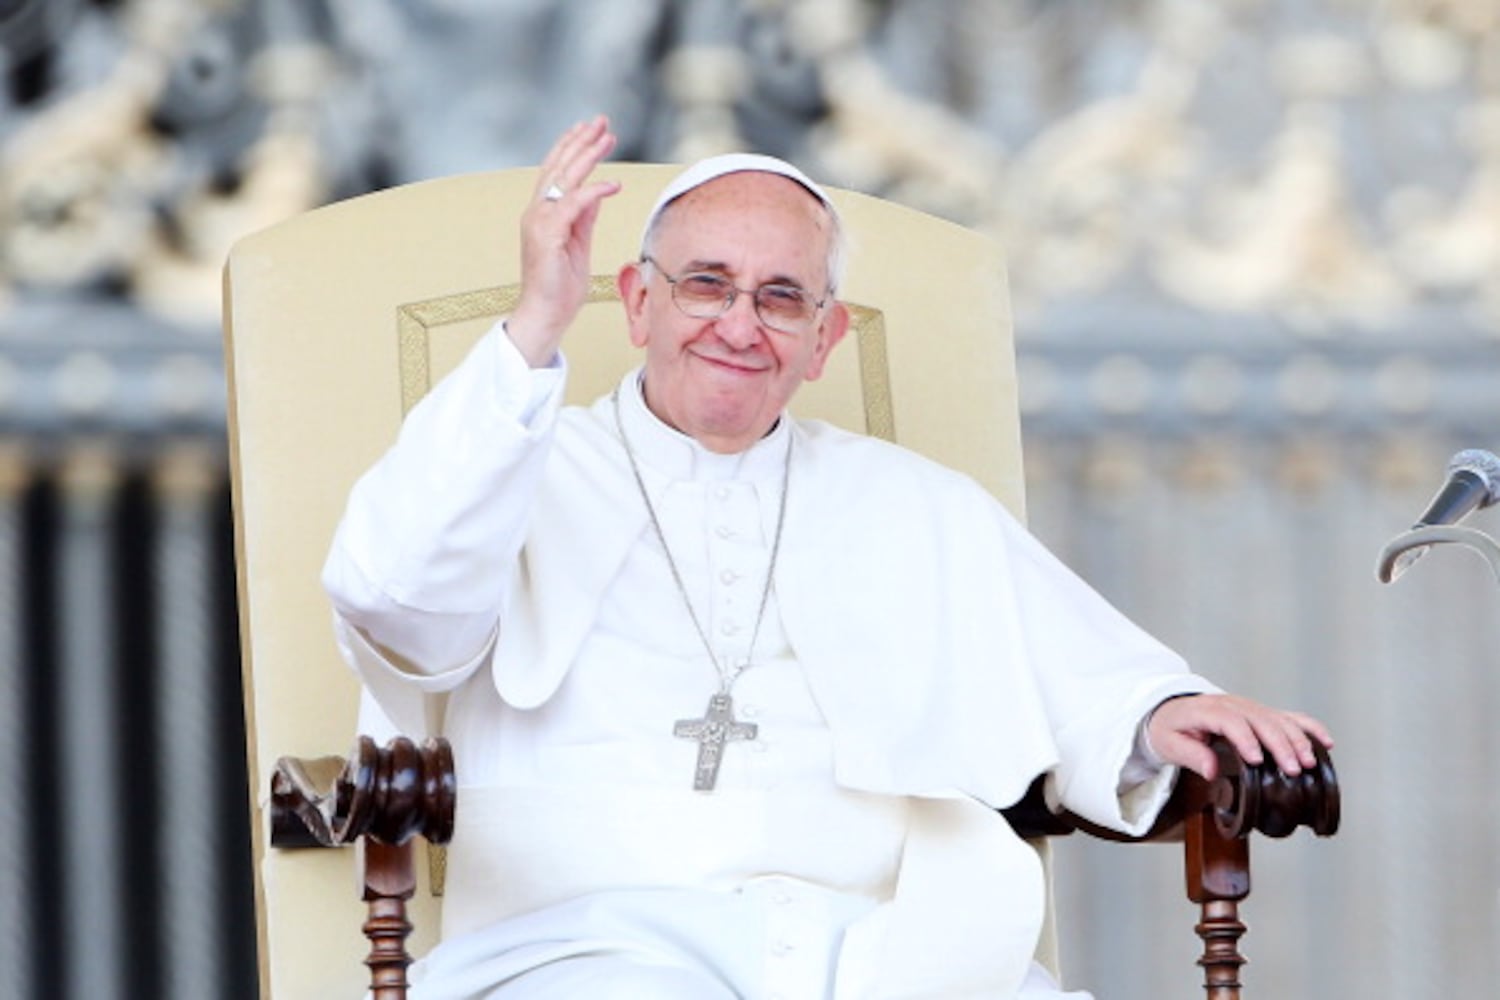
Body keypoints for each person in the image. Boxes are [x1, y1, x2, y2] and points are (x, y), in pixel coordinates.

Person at [321, 116, 1333, 999]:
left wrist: (1160, 713)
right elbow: (395, 599)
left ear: (824, 338)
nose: (738, 324)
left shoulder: (914, 504)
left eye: (780, 298)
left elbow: (1078, 679)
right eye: (705, 285)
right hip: (581, 948)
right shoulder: (516, 467)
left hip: (882, 950)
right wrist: (533, 326)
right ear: (635, 303)